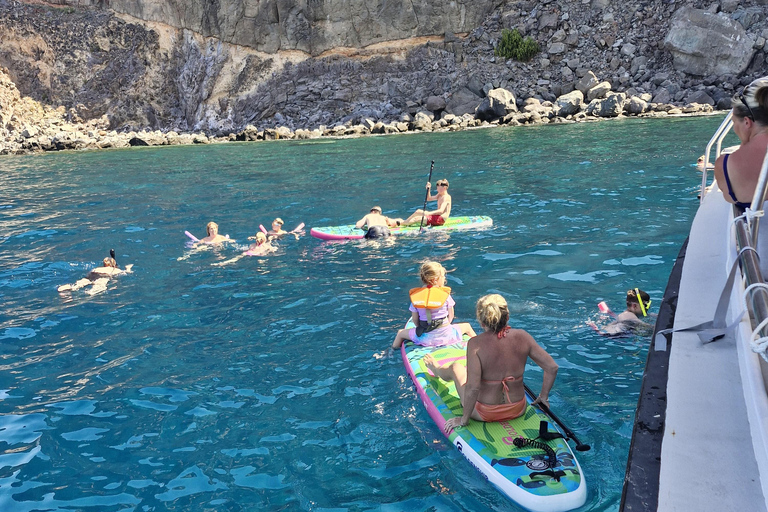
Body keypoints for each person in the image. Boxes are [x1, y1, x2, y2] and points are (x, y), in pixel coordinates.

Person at [424, 294, 558, 432]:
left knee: (456, 367)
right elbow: (552, 367)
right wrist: (543, 397)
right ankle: (438, 369)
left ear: (481, 322)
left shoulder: (475, 344)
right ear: (507, 317)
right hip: (518, 408)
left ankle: (436, 368)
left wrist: (463, 420)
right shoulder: (523, 336)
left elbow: (473, 387)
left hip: (485, 413)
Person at [392, 261, 476, 349]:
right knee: (467, 326)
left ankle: (390, 352)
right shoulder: (445, 295)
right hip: (447, 335)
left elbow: (415, 321)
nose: (444, 279)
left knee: (400, 333)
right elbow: (450, 317)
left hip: (425, 338)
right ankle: (480, 346)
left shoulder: (416, 297)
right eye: (443, 276)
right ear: (435, 279)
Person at [714, 76, 768, 209]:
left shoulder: (725, 165)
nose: (733, 128)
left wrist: (745, 144)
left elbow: (727, 195)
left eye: (733, 122)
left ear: (746, 122)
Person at [57, 251, 133, 294]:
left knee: (80, 283)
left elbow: (89, 274)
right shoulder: (114, 270)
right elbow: (126, 273)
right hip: (103, 276)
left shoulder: (97, 268)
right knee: (100, 286)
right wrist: (128, 268)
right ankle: (90, 292)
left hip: (92, 274)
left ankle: (71, 287)